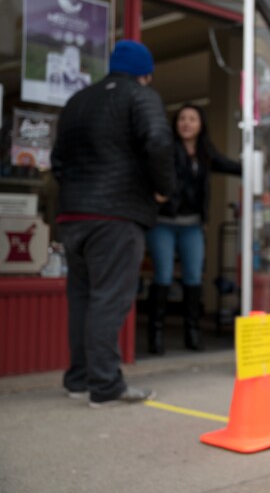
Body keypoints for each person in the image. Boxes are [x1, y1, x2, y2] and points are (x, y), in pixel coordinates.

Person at [52, 40, 174, 408]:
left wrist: (76, 192)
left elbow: (57, 160)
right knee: (109, 299)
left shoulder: (77, 101)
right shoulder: (139, 95)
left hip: (73, 216)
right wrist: (163, 189)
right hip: (115, 216)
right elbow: (157, 140)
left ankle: (78, 379)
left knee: (82, 299)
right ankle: (104, 386)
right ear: (146, 73)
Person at [146, 103, 241, 354]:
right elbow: (146, 169)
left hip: (192, 225)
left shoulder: (205, 153)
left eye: (192, 119)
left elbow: (230, 166)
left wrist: (257, 167)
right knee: (163, 276)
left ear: (201, 125)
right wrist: (154, 194)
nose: (186, 123)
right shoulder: (166, 148)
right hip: (163, 223)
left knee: (193, 277)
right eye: (182, 118)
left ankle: (193, 333)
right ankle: (155, 336)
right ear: (175, 124)